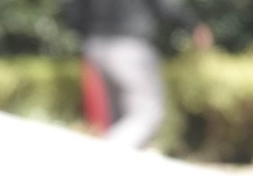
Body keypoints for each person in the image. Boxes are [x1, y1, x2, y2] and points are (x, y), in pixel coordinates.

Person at [64, 0, 213, 148]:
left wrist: (86, 35)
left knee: (119, 117)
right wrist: (193, 25)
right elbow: (165, 4)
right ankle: (104, 157)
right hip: (129, 46)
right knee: (148, 113)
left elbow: (74, 9)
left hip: (95, 46)